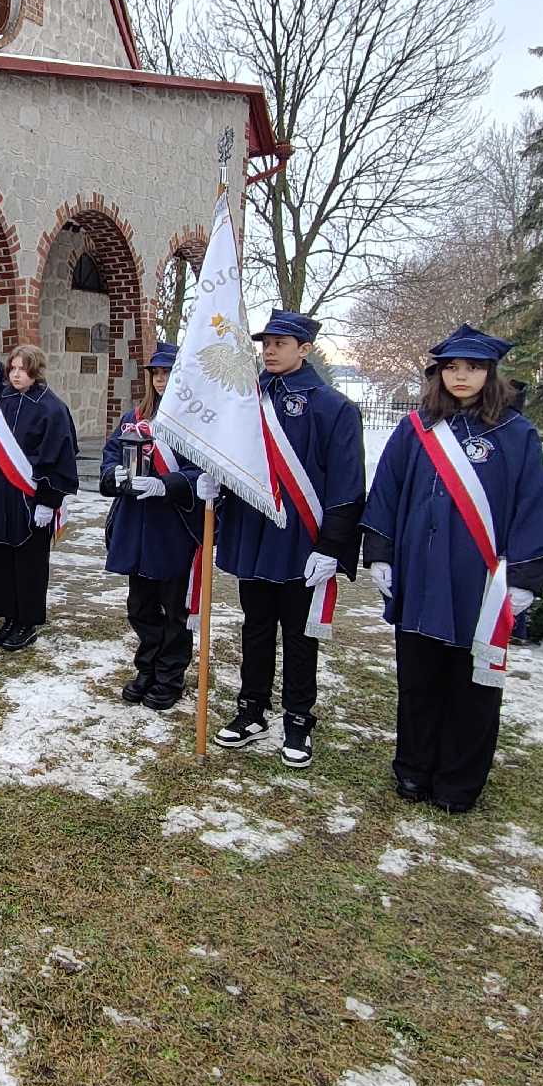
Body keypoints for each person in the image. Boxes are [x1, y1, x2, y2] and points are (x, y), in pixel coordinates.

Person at [362, 325, 543, 813]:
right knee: (419, 678)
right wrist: (380, 553)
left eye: (472, 367)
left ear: (490, 373)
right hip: (421, 576)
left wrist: (526, 580)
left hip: (482, 583)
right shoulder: (416, 430)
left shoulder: (516, 435)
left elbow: (535, 506)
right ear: (438, 373)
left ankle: (458, 781)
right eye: (452, 367)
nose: (461, 376)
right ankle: (413, 769)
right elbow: (385, 492)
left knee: (473, 685)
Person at [207, 311, 364, 768]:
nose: (270, 350)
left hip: (302, 540)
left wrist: (332, 547)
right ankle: (251, 709)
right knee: (255, 628)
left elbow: (347, 485)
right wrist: (213, 480)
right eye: (266, 343)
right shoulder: (246, 398)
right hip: (254, 533)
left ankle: (298, 718)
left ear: (305, 348)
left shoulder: (333, 407)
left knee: (298, 635)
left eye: (281, 342)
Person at [100, 343, 203, 710]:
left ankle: (170, 675)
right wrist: (116, 473)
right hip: (135, 524)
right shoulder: (134, 416)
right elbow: (110, 456)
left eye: (167, 373)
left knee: (174, 607)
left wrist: (168, 484)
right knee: (140, 606)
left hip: (173, 527)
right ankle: (147, 668)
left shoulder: (196, 422)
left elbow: (203, 473)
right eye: (155, 374)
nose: (160, 380)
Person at [0, 344, 77, 650]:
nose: (17, 374)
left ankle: (27, 621)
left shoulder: (52, 408)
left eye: (23, 369)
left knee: (29, 562)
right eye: (13, 368)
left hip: (31, 499)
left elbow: (61, 458)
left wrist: (49, 500)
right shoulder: (0, 402)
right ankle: (8, 615)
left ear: (36, 371)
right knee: (1, 557)